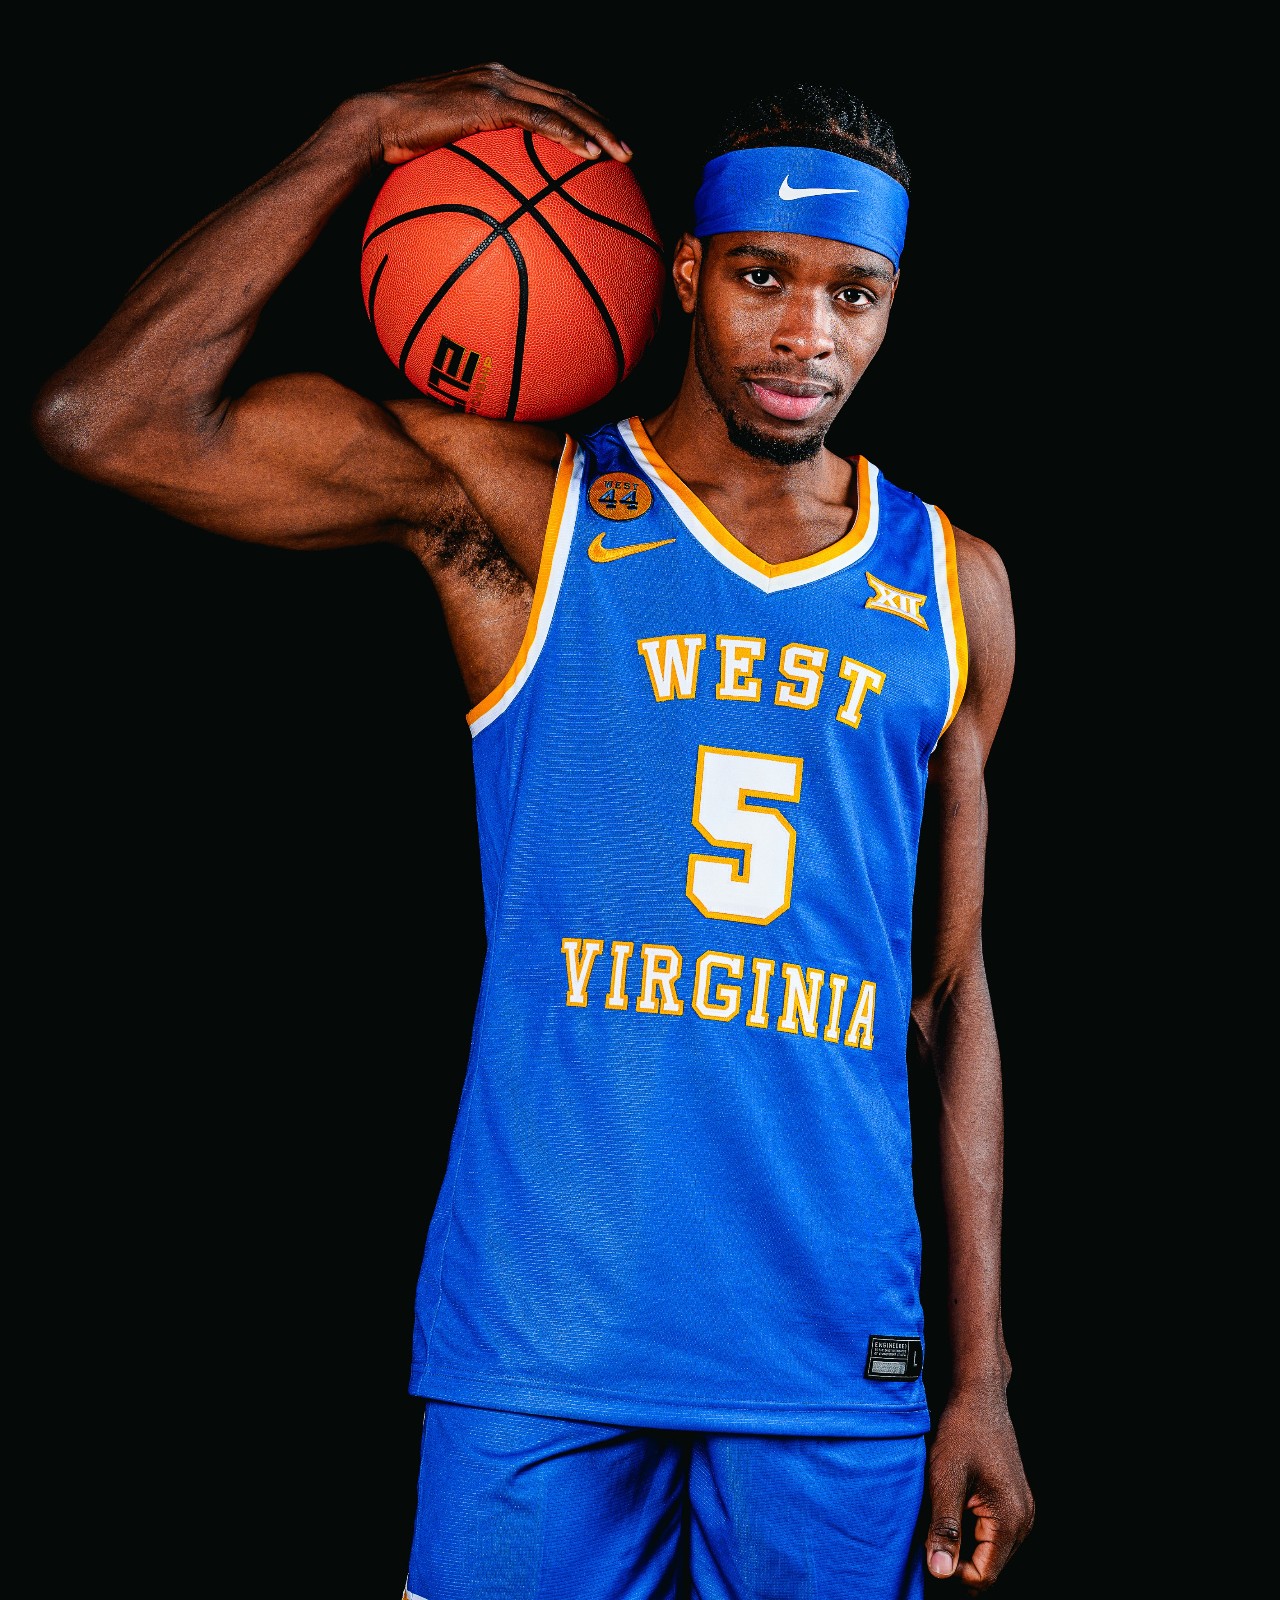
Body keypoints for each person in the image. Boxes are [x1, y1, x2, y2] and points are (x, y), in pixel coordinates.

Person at [33, 62, 1034, 1597]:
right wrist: (359, 136)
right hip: (543, 1338)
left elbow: (949, 997)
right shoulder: (527, 510)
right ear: (685, 272)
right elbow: (112, 415)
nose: (808, 335)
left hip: (834, 1356)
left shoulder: (951, 588)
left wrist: (982, 1378)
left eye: (855, 293)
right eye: (763, 277)